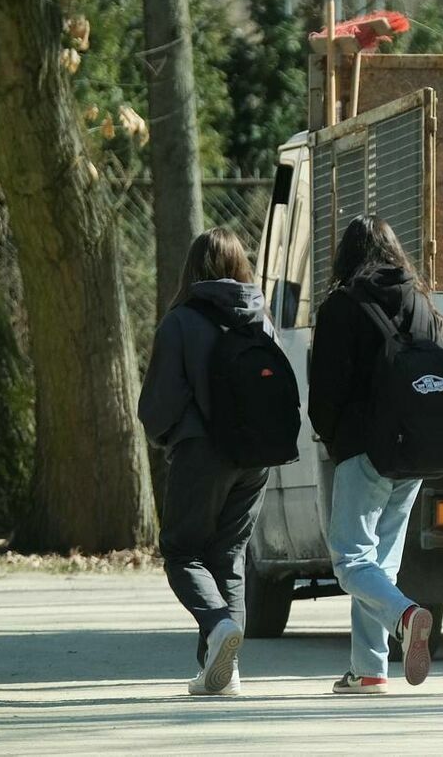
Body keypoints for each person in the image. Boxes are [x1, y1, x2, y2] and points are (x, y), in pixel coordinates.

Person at [308, 215, 440, 695]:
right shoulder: (422, 303)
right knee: (379, 564)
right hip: (417, 451)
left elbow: (324, 389)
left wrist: (334, 438)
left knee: (350, 562)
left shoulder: (341, 306)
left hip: (363, 448)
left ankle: (405, 616)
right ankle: (369, 669)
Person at [138, 228, 273, 696]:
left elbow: (157, 404)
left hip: (202, 452)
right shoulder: (261, 317)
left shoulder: (180, 321)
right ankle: (224, 672)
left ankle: (218, 628)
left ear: (192, 269)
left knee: (182, 552)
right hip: (256, 457)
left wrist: (169, 436)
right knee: (229, 556)